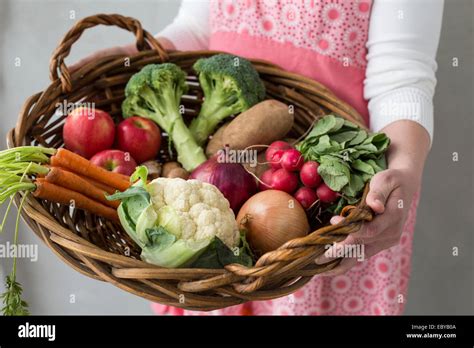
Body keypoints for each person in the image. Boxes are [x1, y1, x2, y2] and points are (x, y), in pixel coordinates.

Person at [72, 0, 444, 315]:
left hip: (327, 206)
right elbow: (200, 29)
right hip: (220, 216)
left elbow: (401, 76)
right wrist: (134, 58)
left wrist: (405, 169)